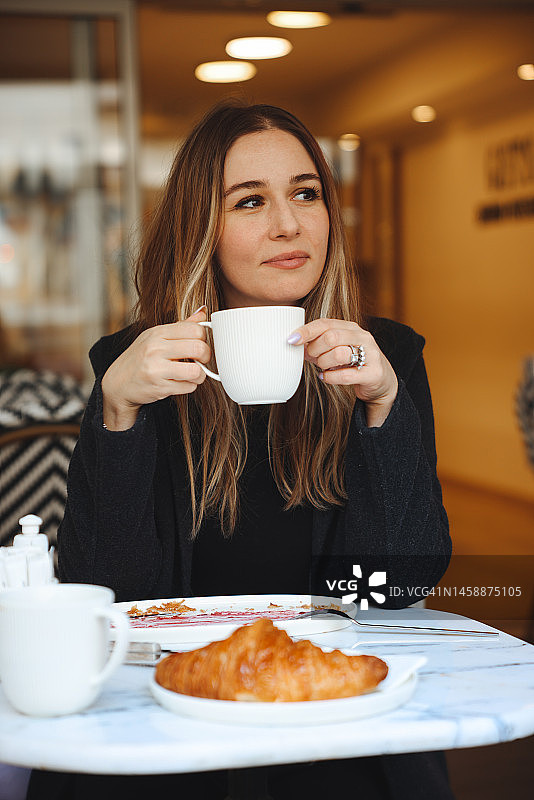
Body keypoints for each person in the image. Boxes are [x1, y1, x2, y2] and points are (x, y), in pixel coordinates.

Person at [28, 100, 454, 800]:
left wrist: (384, 409)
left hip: (330, 713)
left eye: (306, 193)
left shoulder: (387, 357)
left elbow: (396, 590)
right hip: (171, 712)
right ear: (203, 229)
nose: (288, 224)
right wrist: (119, 414)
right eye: (249, 201)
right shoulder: (133, 366)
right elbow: (108, 595)